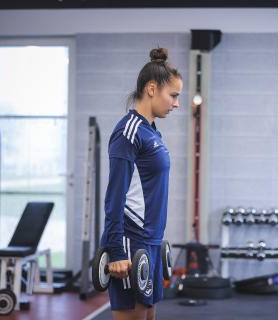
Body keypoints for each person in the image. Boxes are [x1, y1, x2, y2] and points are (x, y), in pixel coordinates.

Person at [99, 47, 183, 320]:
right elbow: (114, 197)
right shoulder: (128, 131)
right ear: (151, 88)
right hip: (131, 241)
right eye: (173, 95)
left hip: (151, 242)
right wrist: (116, 250)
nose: (176, 104)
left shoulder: (151, 131)